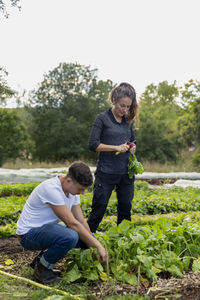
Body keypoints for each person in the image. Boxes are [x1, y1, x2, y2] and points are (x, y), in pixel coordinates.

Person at [16, 161, 108, 285]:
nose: (82, 193)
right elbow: (72, 224)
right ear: (69, 180)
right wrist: (98, 246)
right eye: (81, 189)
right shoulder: (51, 189)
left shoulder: (71, 191)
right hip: (28, 235)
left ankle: (40, 260)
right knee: (70, 236)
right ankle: (42, 269)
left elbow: (80, 220)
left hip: (45, 231)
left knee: (84, 239)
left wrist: (93, 242)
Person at [87, 82, 138, 233]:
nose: (125, 110)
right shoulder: (102, 119)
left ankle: (124, 242)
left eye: (128, 106)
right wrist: (115, 147)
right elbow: (93, 144)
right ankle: (85, 243)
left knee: (125, 209)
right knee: (99, 209)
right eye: (122, 105)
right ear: (114, 100)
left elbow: (133, 142)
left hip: (125, 175)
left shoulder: (128, 122)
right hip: (106, 173)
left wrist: (132, 148)